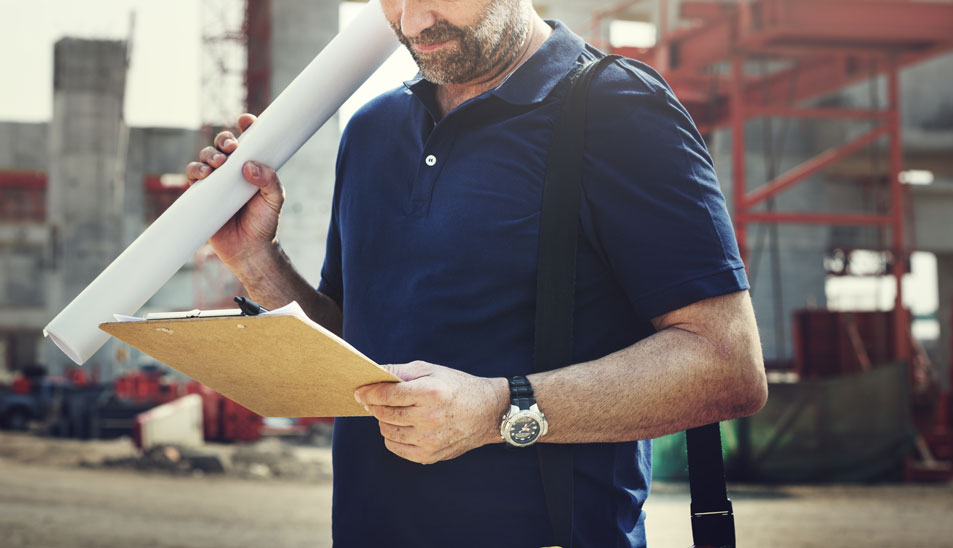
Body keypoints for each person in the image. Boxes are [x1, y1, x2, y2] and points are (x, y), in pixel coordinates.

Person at [186, 1, 767, 546]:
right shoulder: (370, 130)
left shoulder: (619, 110)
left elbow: (727, 364)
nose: (413, 21)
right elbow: (352, 345)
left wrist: (496, 411)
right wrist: (254, 258)